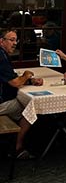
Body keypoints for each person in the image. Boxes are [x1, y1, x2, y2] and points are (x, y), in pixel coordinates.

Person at [0, 28, 43, 158]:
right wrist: (26, 75)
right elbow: (15, 82)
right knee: (30, 109)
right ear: (1, 41)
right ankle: (16, 147)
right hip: (2, 103)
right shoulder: (1, 57)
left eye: (16, 40)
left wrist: (29, 81)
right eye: (11, 40)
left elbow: (10, 78)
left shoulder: (3, 54)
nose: (15, 43)